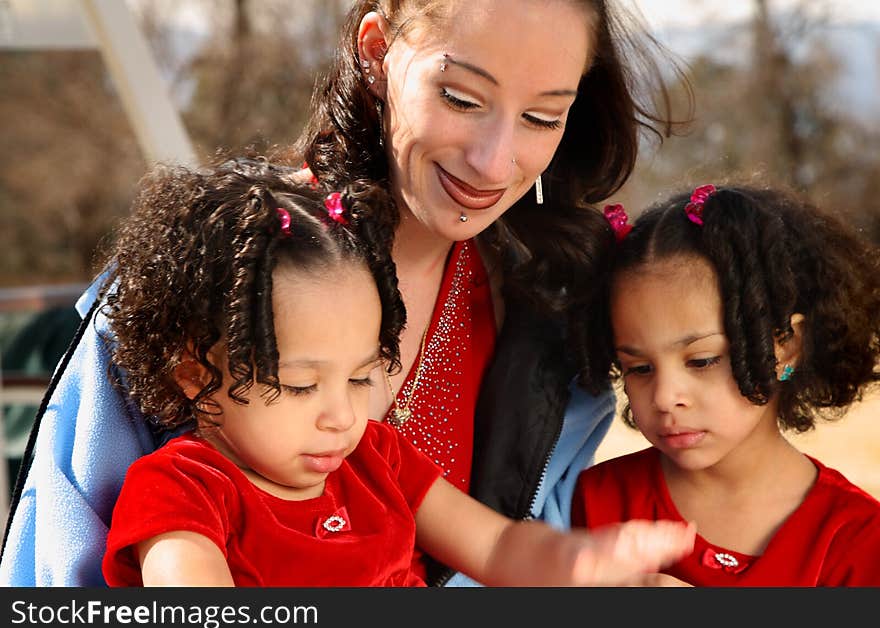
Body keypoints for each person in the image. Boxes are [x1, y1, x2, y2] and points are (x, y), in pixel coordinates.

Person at [1, 0, 691, 586]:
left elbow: (513, 553)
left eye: (542, 117)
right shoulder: (211, 271)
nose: (493, 161)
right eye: (461, 98)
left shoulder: (556, 322)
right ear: (376, 52)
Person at [99, 157, 694, 586]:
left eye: (361, 379)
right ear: (192, 371)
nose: (342, 416)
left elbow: (497, 546)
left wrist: (583, 562)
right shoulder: (184, 491)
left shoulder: (375, 457)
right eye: (301, 385)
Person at [571, 183, 880, 586]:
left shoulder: (857, 539)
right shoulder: (597, 501)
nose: (665, 398)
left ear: (785, 347)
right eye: (639, 368)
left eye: (701, 360)